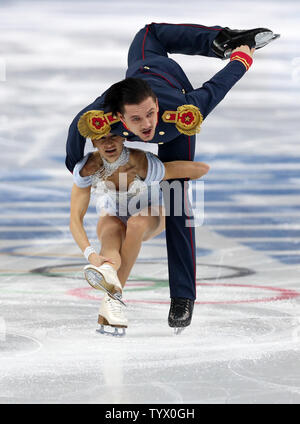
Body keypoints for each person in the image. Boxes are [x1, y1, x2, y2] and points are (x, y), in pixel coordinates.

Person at [66, 23, 279, 331]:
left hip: (174, 128)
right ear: (119, 118)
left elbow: (217, 86)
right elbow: (77, 127)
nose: (146, 125)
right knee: (147, 33)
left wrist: (241, 58)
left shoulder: (182, 114)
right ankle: (223, 41)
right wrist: (78, 166)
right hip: (143, 72)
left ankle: (182, 296)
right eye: (136, 119)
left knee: (178, 202)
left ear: (156, 106)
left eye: (150, 113)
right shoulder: (104, 117)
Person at [69, 133, 209, 335]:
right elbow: (75, 219)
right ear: (93, 142)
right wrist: (91, 255)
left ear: (122, 138)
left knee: (136, 223)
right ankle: (108, 272)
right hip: (114, 211)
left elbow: (201, 169)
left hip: (153, 210)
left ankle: (112, 300)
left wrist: (171, 180)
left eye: (113, 137)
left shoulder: (140, 162)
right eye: (101, 138)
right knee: (109, 240)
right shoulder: (87, 168)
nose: (108, 143)